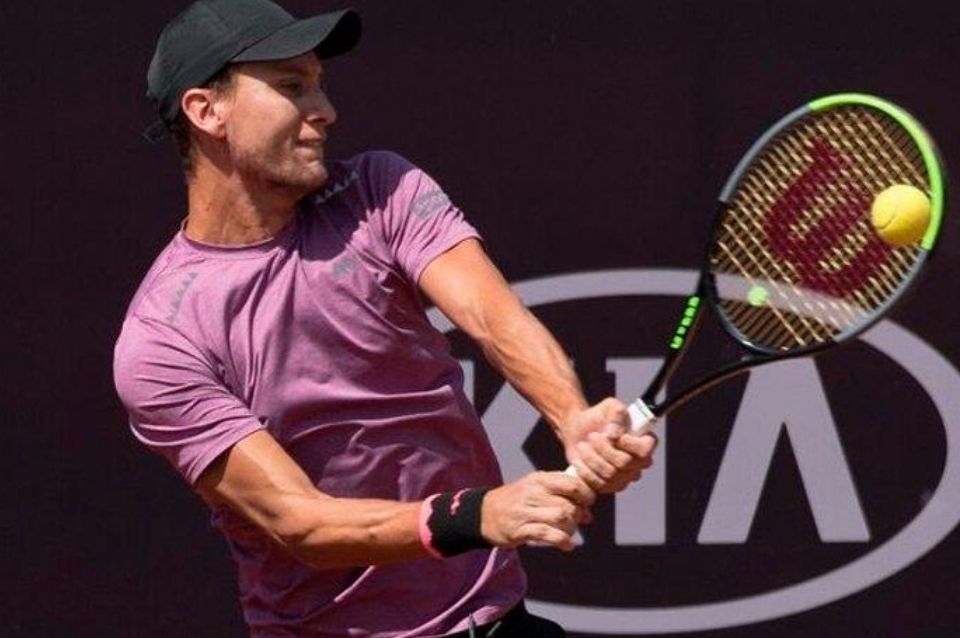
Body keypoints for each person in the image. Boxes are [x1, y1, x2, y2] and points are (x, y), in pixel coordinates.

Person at [113, 1, 658, 636]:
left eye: (320, 83)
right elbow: (300, 522)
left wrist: (573, 418)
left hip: (496, 620)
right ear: (207, 111)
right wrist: (476, 516)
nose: (325, 109)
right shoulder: (161, 340)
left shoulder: (379, 190)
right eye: (293, 86)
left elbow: (491, 317)